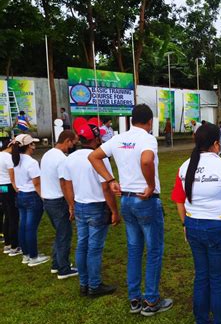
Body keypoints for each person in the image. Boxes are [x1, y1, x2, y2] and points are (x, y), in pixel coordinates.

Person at [89, 104, 173, 313]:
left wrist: (110, 179)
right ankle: (151, 301)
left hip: (126, 200)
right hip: (146, 199)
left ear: (131, 120)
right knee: (154, 251)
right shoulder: (147, 139)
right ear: (150, 121)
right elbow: (146, 160)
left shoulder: (118, 139)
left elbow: (93, 156)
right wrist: (151, 185)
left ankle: (135, 299)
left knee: (134, 250)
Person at [171, 123, 221, 324]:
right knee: (217, 279)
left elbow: (179, 200)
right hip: (219, 228)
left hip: (194, 225)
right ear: (216, 143)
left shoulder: (184, 166)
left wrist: (184, 223)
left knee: (202, 276)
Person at [63, 120, 120, 298]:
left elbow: (67, 184)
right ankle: (94, 285)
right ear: (96, 139)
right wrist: (114, 211)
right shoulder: (99, 158)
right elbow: (106, 188)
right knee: (94, 248)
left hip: (80, 205)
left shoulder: (70, 158)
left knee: (82, 246)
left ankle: (84, 283)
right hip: (97, 206)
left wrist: (72, 205)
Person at [41, 130, 79, 279]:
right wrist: (71, 204)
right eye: (73, 143)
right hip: (58, 200)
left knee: (60, 233)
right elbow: (64, 184)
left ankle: (56, 264)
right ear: (67, 141)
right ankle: (64, 269)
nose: (73, 146)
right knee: (65, 234)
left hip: (48, 200)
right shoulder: (62, 159)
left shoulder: (47, 154)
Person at [11, 134, 50, 266]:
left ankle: (26, 255)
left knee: (23, 226)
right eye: (32, 144)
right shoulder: (31, 162)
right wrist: (43, 198)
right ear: (28, 146)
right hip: (32, 196)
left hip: (21, 195)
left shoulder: (16, 160)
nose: (34, 147)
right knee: (30, 228)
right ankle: (33, 257)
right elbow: (37, 184)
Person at [0, 138, 19, 256]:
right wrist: (16, 189)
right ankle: (14, 245)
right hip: (8, 186)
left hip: (1, 187)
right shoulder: (8, 158)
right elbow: (12, 178)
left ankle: (7, 244)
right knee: (13, 216)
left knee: (7, 214)